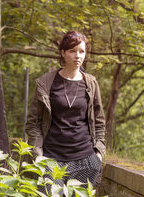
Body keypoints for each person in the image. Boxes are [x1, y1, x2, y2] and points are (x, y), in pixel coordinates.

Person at [26, 30, 106, 188]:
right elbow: (33, 122)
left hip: (85, 159)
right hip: (51, 158)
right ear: (63, 53)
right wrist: (39, 155)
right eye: (72, 51)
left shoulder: (91, 83)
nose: (78, 56)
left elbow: (99, 120)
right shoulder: (46, 83)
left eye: (82, 51)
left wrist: (98, 154)